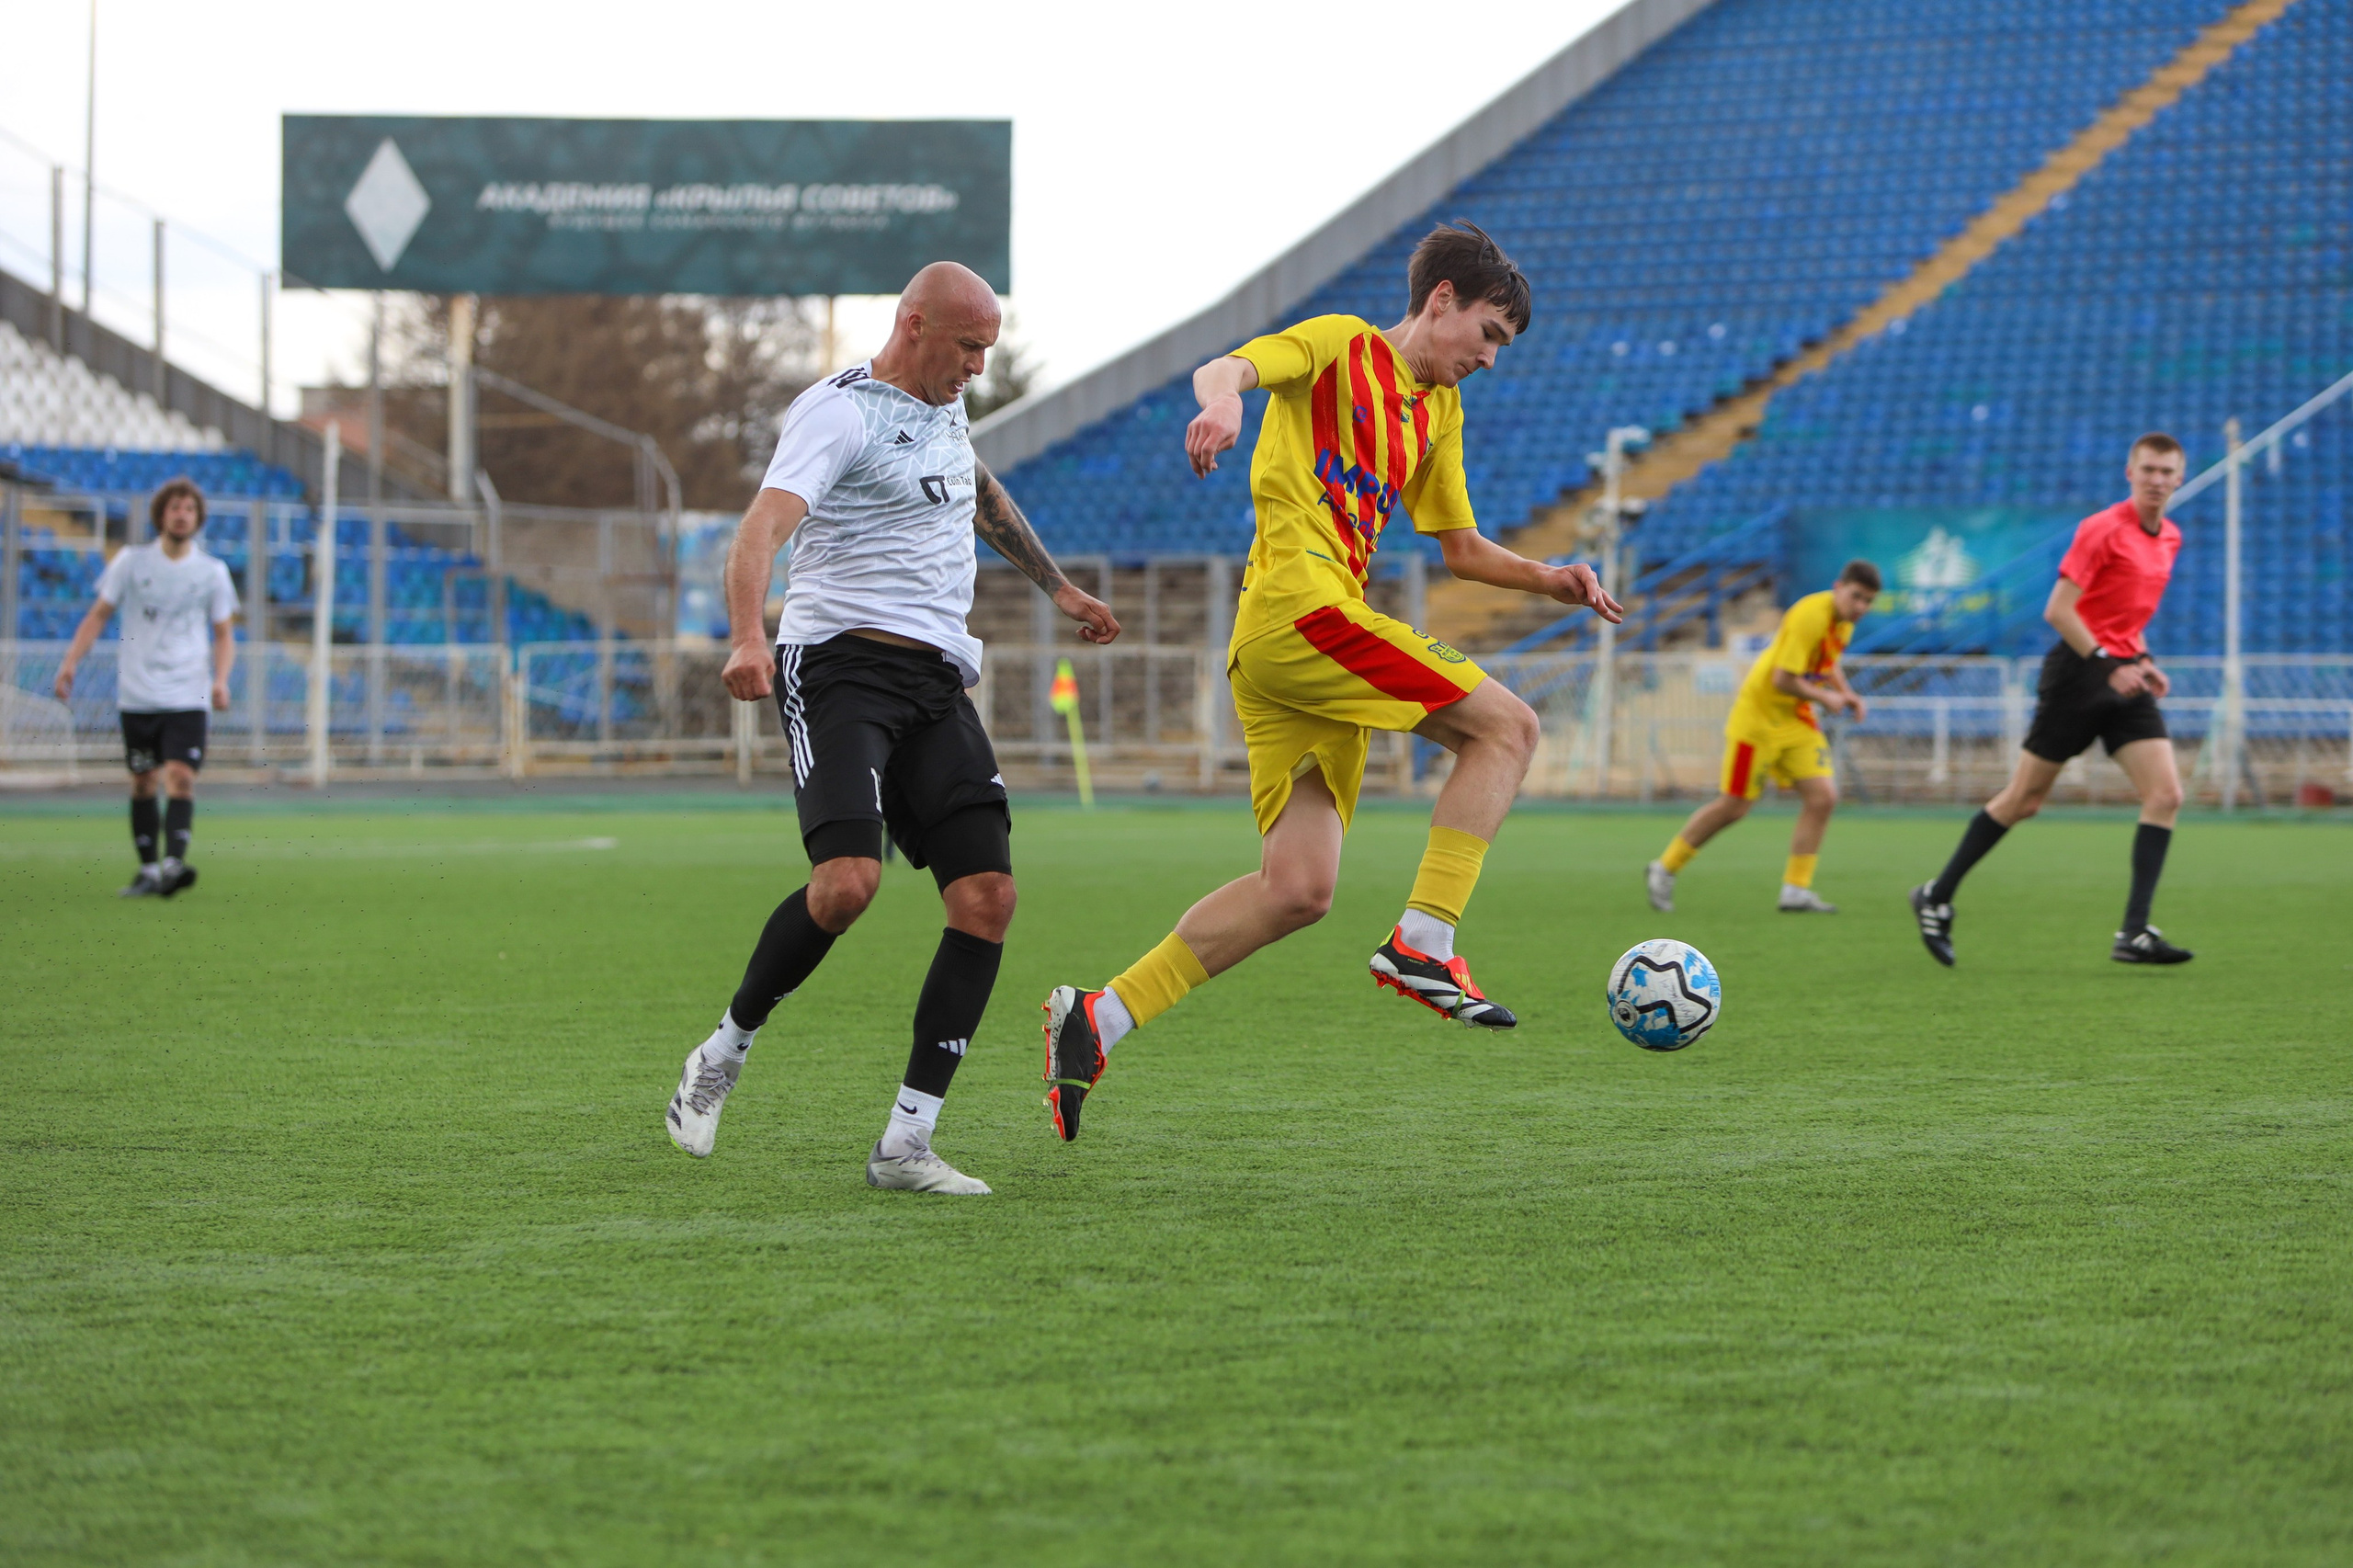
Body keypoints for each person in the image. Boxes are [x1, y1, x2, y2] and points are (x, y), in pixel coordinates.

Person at [1038, 222, 1621, 1142]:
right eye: (1489, 335)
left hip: (1284, 646)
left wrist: (1548, 575)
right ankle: (1423, 940)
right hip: (1300, 610)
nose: (1489, 359)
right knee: (1507, 727)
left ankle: (1098, 1014)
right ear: (1442, 303)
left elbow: (1460, 548)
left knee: (1298, 888)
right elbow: (1225, 367)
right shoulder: (1340, 344)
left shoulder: (1438, 412)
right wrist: (1226, 404)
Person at [665, 261, 1119, 1195]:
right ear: (915, 325)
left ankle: (906, 1141)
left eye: (987, 351)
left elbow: (978, 486)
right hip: (839, 670)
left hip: (935, 682)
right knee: (846, 885)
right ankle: (723, 1048)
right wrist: (749, 635)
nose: (977, 369)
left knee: (988, 896)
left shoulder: (943, 405)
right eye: (966, 348)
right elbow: (758, 533)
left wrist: (1057, 583)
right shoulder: (838, 413)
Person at [1912, 433, 2193, 966]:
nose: (2157, 480)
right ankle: (1936, 894)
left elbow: (2126, 618)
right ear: (2128, 474)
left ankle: (2133, 933)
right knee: (2024, 800)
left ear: (2179, 479)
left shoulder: (2170, 537)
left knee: (2166, 795)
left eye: (2167, 472)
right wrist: (2109, 665)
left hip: (2125, 673)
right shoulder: (2101, 529)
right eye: (2148, 469)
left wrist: (2144, 660)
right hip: (2079, 675)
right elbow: (2060, 610)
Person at [1647, 561, 1879, 915]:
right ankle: (1665, 867)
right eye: (1856, 596)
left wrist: (1846, 693)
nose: (1860, 606)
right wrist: (1827, 698)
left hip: (1795, 719)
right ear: (1838, 587)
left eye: (1868, 601)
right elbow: (1782, 679)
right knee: (1734, 807)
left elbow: (1825, 662)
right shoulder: (1809, 615)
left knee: (1823, 797)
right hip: (1757, 721)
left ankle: (1796, 891)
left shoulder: (1842, 623)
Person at [54, 477, 238, 898]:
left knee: (180, 776)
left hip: (188, 693)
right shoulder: (131, 563)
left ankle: (174, 863)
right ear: (161, 515)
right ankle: (150, 870)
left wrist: (221, 679)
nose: (181, 515)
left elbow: (225, 632)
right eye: (174, 507)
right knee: (142, 782)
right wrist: (70, 661)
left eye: (189, 509)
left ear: (198, 518)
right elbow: (99, 614)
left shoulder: (212, 572)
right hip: (138, 693)